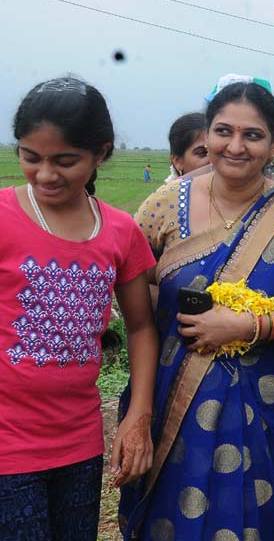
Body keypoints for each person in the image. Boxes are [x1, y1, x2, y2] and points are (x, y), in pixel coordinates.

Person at [119, 81, 274, 539]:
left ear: (272, 144)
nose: (235, 146)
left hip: (273, 410)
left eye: (252, 135)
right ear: (206, 135)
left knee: (258, 521)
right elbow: (132, 293)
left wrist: (246, 325)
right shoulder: (166, 203)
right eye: (223, 131)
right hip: (177, 403)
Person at [0, 77, 158, 539]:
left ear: (100, 154)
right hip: (7, 441)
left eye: (64, 161)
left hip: (78, 441)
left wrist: (137, 415)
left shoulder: (120, 232)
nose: (46, 174)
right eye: (30, 157)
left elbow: (142, 326)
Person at [166, 112, 209, 180]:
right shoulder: (169, 190)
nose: (214, 160)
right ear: (178, 161)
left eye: (219, 153)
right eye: (202, 153)